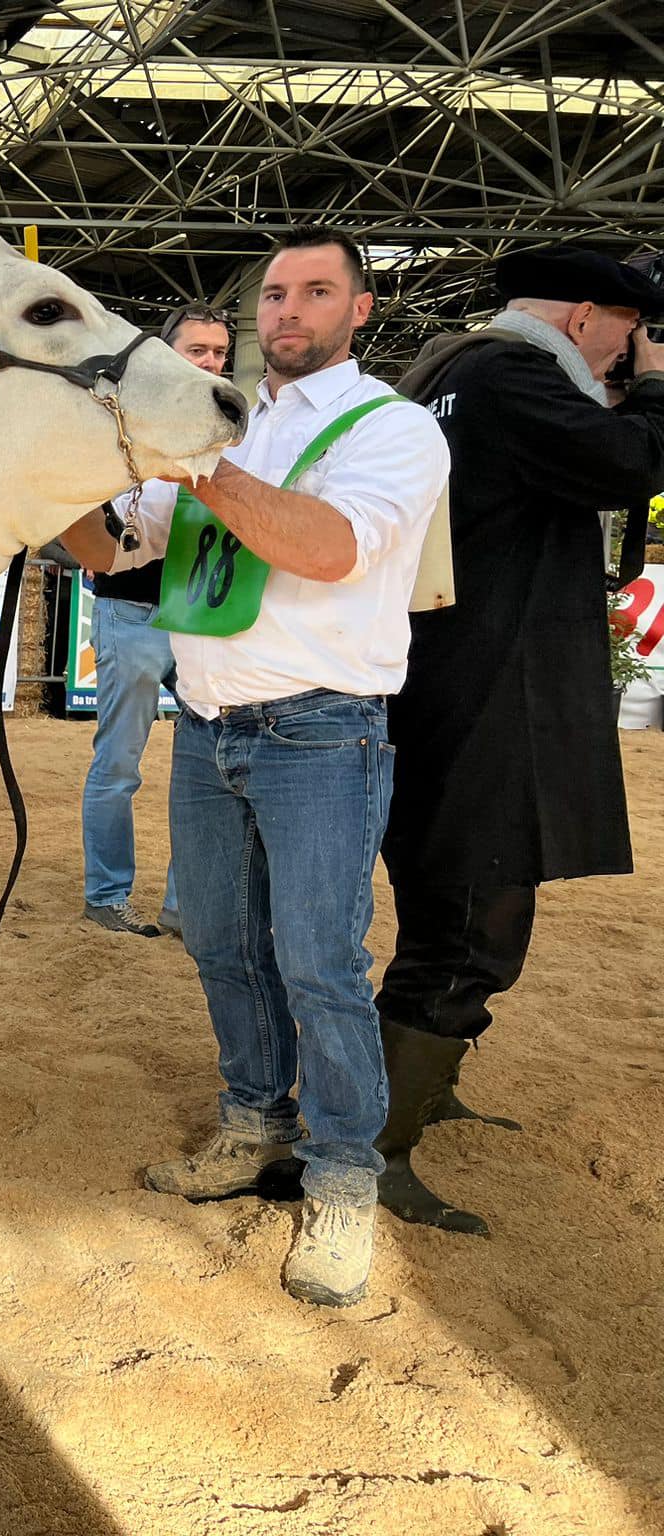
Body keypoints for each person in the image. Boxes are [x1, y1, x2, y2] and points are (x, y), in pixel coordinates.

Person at [59, 226, 451, 1307]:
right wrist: (41, 466)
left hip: (322, 729)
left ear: (358, 311)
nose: (286, 312)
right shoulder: (220, 422)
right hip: (210, 724)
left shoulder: (395, 428)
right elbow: (107, 547)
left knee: (319, 961)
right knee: (224, 946)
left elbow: (327, 548)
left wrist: (203, 467)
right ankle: (250, 1127)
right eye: (272, 295)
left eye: (313, 292)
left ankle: (339, 1179)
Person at [375, 246, 664, 1236]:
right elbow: (629, 463)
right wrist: (659, 391)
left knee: (452, 906)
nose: (628, 352)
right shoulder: (511, 375)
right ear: (584, 315)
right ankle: (377, 1147)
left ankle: (423, 1092)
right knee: (469, 926)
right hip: (493, 698)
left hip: (456, 685)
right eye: (626, 331)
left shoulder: (448, 369)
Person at [81, 302, 232, 938]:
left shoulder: (228, 429)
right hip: (133, 612)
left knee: (206, 769)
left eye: (220, 353)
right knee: (120, 764)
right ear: (165, 354)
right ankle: (107, 894)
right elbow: (98, 533)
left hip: (199, 618)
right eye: (197, 351)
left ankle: (183, 905)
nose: (211, 362)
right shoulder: (120, 426)